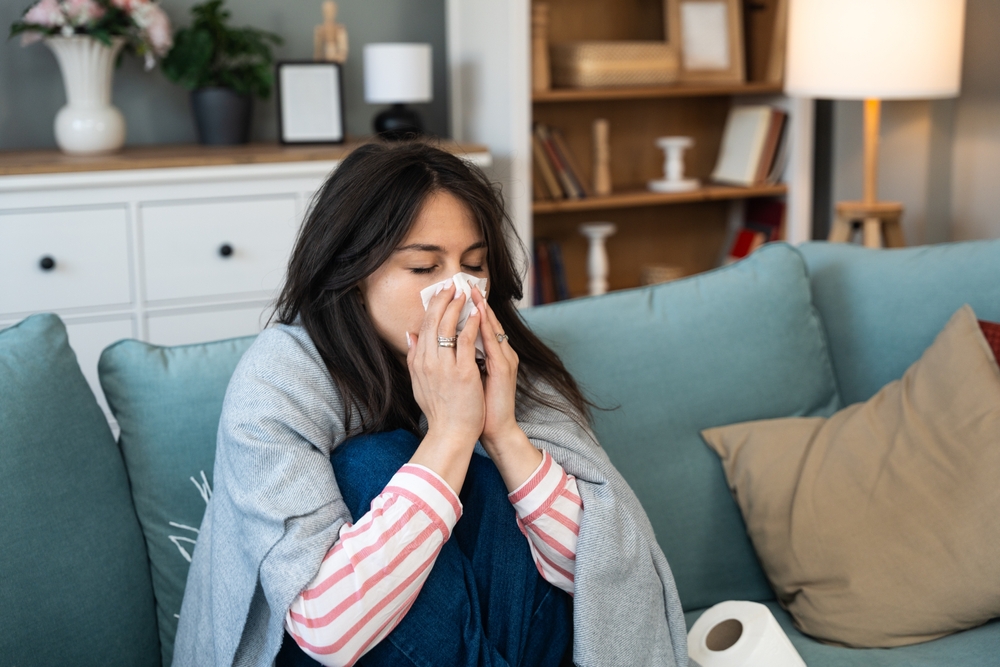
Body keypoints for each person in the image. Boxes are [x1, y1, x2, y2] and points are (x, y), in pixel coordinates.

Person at [172, 142, 690, 667]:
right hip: (341, 642)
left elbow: (603, 578)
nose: (457, 292)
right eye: (424, 267)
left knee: (489, 481)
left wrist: (502, 432)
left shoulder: (504, 361)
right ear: (351, 274)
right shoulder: (280, 380)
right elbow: (327, 630)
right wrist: (448, 435)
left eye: (473, 265)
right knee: (370, 462)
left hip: (514, 638)